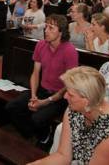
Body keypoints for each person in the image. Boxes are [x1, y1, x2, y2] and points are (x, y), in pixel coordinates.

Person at [28, 66, 109, 165]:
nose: (65, 97)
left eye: (70, 94)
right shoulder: (73, 109)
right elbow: (63, 156)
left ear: (86, 100)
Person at [6, 14, 78, 147]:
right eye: (46, 27)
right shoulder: (41, 45)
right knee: (12, 107)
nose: (46, 31)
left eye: (51, 28)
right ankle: (32, 135)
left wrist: (45, 102)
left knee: (37, 118)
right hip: (41, 89)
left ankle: (44, 136)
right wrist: (34, 96)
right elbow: (35, 73)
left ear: (61, 32)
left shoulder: (70, 51)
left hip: (59, 96)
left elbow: (69, 84)